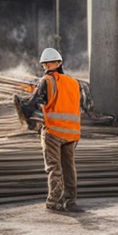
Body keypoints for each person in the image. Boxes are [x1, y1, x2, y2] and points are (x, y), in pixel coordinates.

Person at [23, 47, 82, 212]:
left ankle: (54, 201)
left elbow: (32, 104)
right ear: (60, 63)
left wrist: (21, 104)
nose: (46, 67)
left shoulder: (46, 81)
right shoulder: (73, 82)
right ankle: (71, 202)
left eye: (45, 64)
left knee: (54, 168)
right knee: (69, 168)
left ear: (45, 65)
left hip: (53, 133)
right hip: (72, 133)